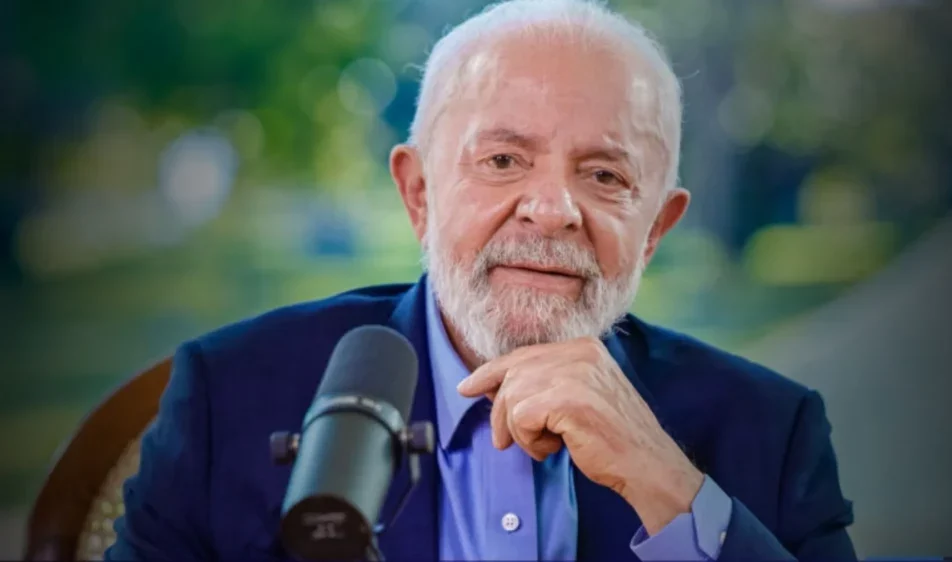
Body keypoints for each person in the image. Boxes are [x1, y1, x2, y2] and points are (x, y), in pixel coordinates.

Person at [106, 0, 856, 560]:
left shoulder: (773, 431)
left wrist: (669, 488)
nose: (552, 210)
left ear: (655, 229)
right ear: (419, 195)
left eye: (604, 175)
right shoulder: (228, 396)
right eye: (502, 161)